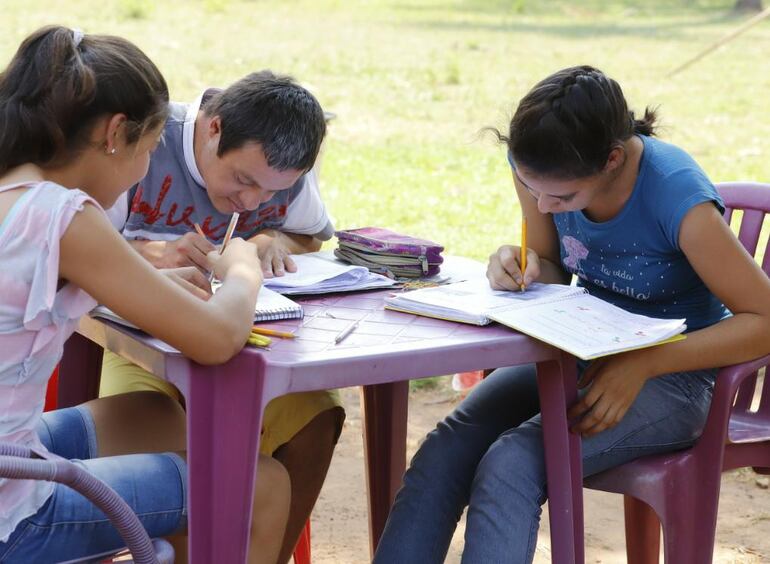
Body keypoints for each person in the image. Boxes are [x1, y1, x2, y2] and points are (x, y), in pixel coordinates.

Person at [373, 65, 770, 563]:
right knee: (447, 449)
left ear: (612, 160)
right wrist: (524, 267)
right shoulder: (542, 168)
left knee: (512, 463)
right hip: (583, 349)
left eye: (560, 199)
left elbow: (764, 320)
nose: (542, 204)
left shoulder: (678, 197)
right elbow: (555, 269)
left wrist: (644, 363)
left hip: (679, 377)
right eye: (529, 186)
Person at [0, 26, 289, 564]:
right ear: (115, 134)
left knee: (158, 417)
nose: (142, 170)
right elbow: (219, 338)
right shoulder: (64, 216)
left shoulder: (18, 189)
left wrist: (154, 286)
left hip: (14, 450)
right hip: (13, 511)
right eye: (149, 149)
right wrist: (244, 266)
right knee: (260, 486)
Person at [99, 69, 345, 563]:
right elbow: (83, 245)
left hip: (251, 342)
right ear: (212, 128)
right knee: (158, 437)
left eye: (274, 192)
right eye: (242, 180)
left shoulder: (283, 172)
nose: (253, 201)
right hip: (146, 345)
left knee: (318, 412)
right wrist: (147, 253)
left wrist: (273, 239)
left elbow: (310, 236)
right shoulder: (146, 141)